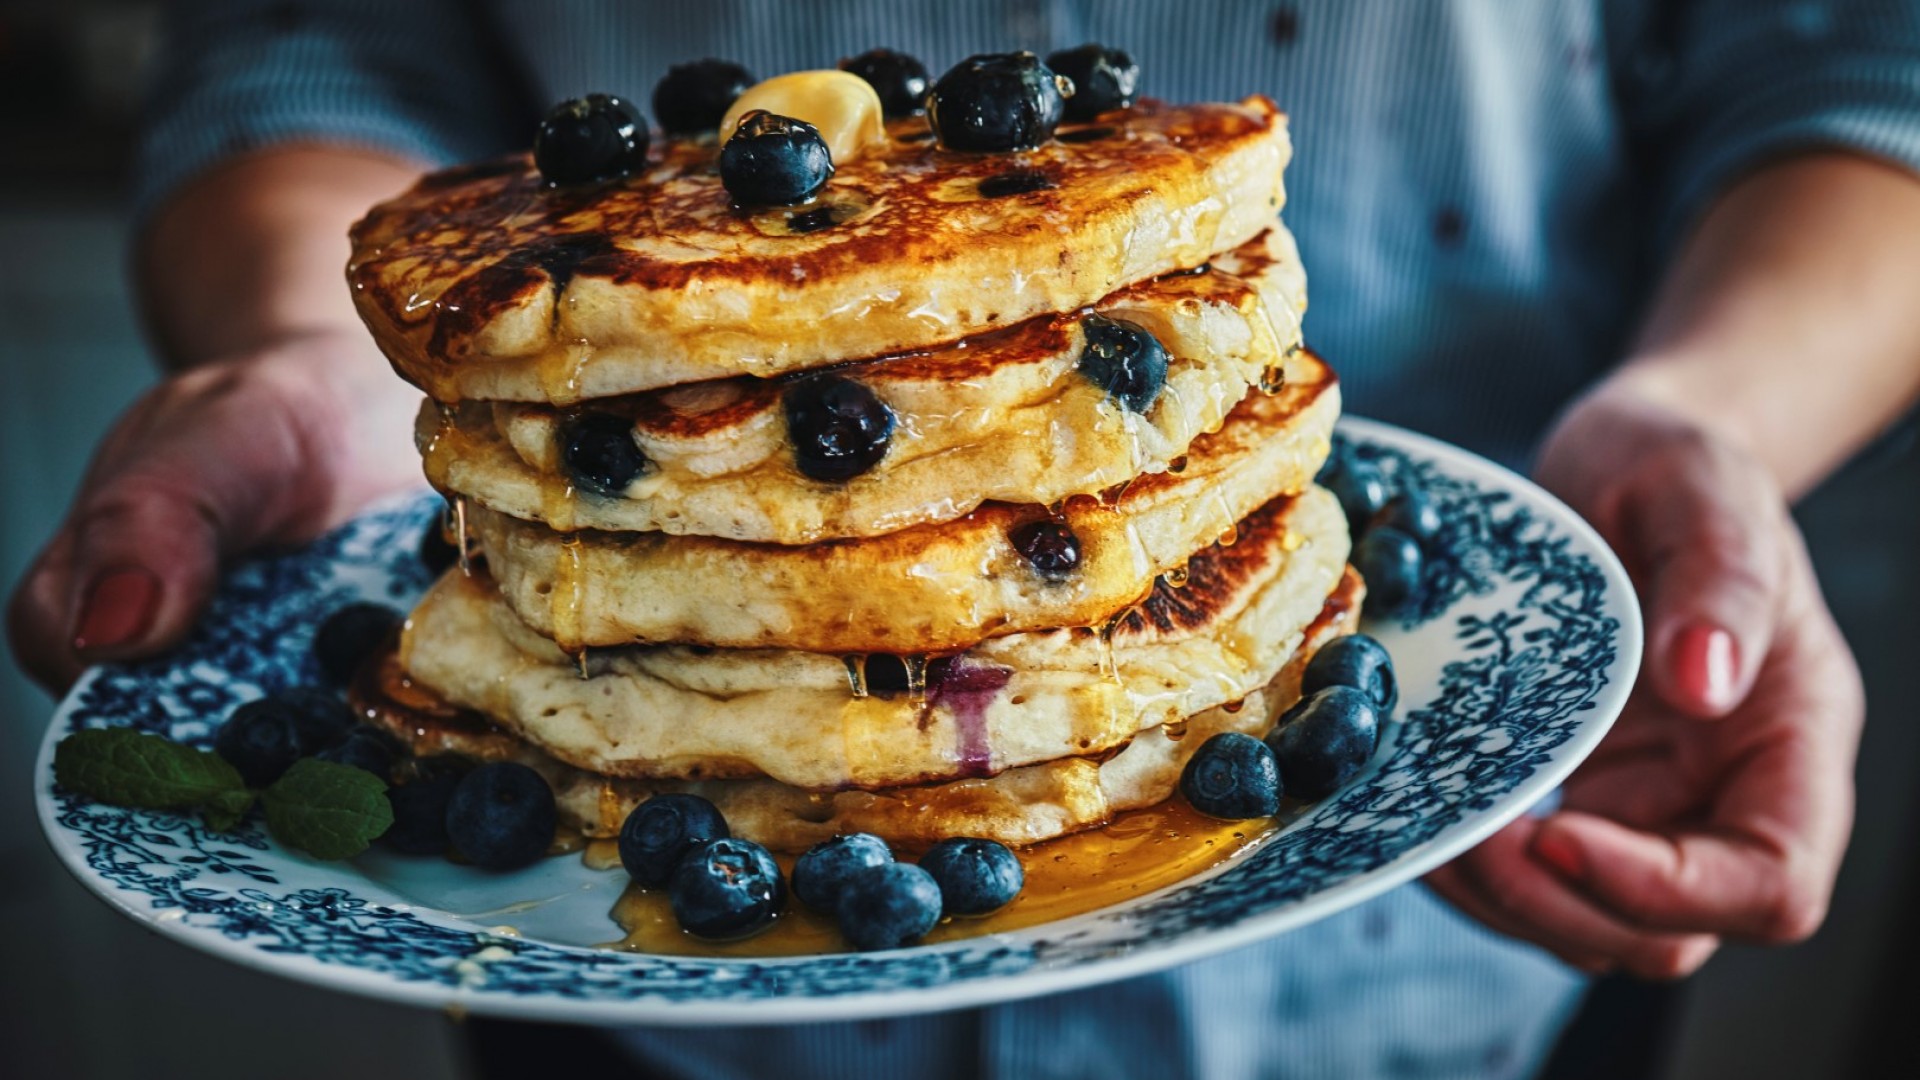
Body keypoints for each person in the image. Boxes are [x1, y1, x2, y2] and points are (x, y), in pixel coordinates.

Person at [10, 2, 1920, 1077]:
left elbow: (1850, 54)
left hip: (1446, 936)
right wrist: (302, 347)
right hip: (654, 1023)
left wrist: (1710, 410)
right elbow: (310, 52)